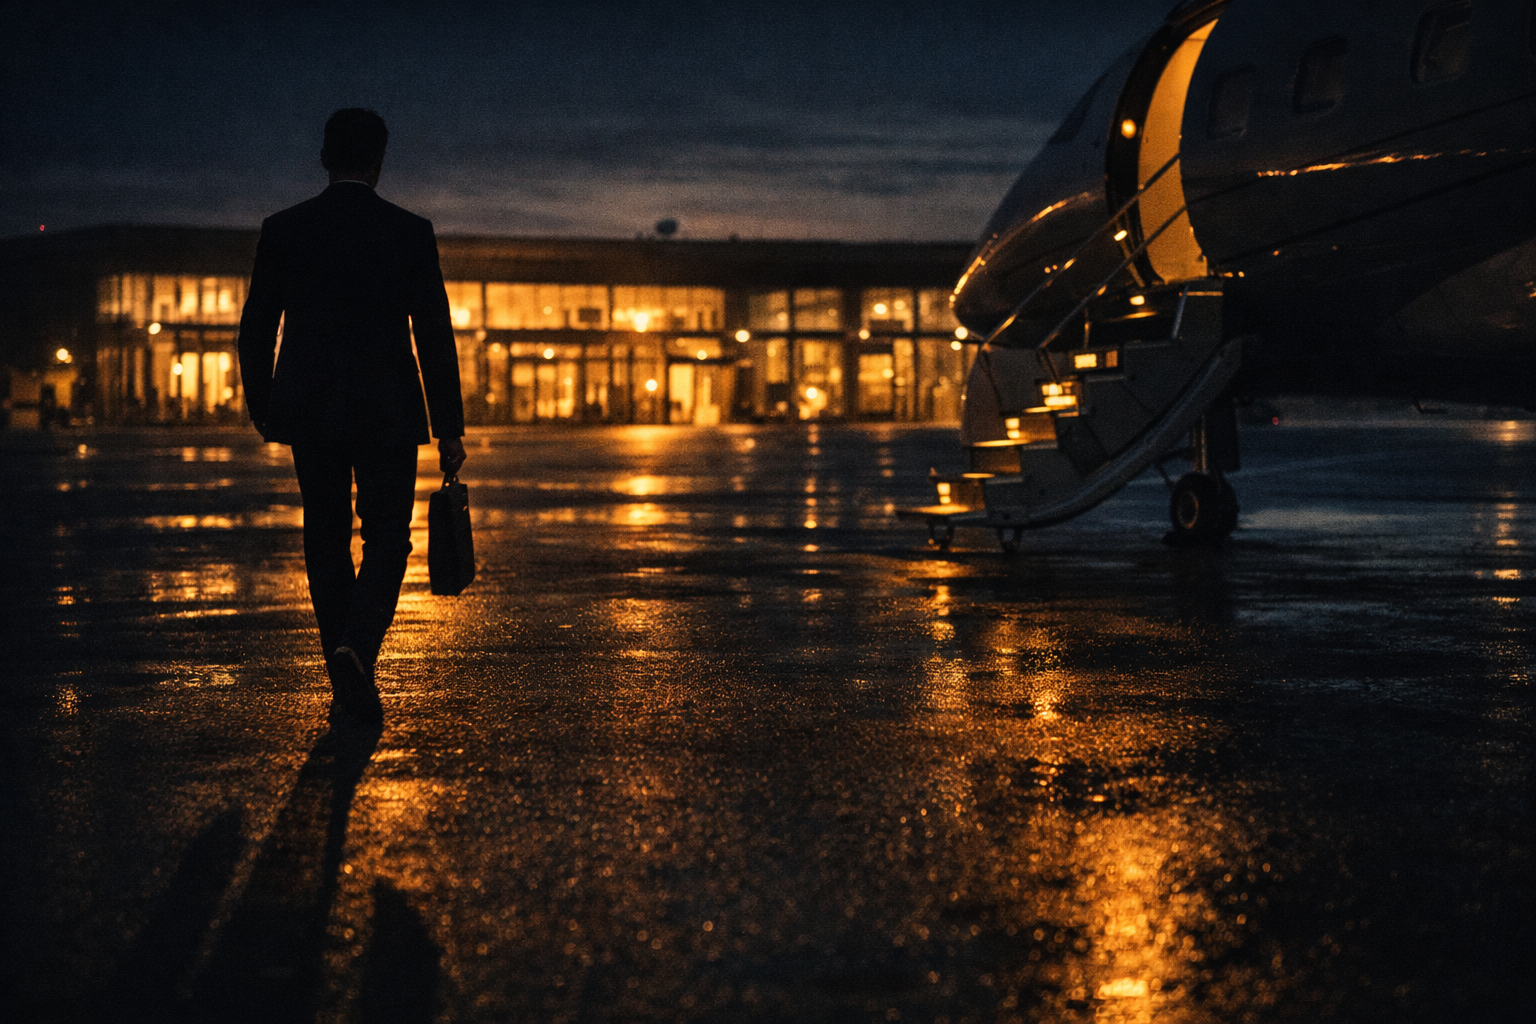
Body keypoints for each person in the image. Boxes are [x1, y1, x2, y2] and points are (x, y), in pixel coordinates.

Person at [237, 108, 466, 725]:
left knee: (324, 534)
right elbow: (434, 334)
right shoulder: (409, 233)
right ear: (379, 161)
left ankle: (342, 660)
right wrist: (449, 426)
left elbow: (257, 325)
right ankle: (357, 647)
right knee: (388, 535)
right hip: (389, 409)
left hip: (310, 410)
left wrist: (265, 407)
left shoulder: (283, 229)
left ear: (323, 158)